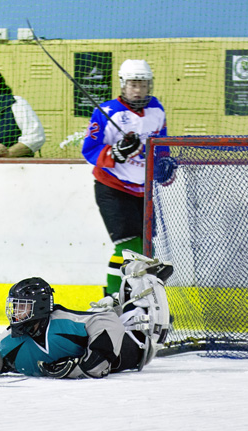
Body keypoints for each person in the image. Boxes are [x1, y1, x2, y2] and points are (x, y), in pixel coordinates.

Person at [0, 251, 173, 380]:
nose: (15, 314)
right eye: (14, 307)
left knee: (141, 328)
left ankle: (144, 277)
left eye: (22, 307)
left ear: (40, 307)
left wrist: (83, 367)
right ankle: (118, 300)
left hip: (132, 349)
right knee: (108, 310)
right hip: (111, 338)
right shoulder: (13, 338)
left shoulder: (62, 320)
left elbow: (105, 322)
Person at [82, 59, 168, 296]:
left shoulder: (157, 109)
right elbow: (89, 150)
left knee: (144, 250)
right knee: (127, 246)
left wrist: (165, 167)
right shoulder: (108, 112)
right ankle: (111, 299)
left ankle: (137, 298)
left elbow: (162, 147)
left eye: (143, 84)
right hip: (113, 188)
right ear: (122, 84)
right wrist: (115, 152)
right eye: (133, 84)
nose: (138, 90)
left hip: (144, 191)